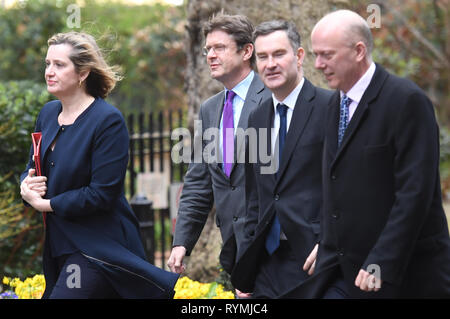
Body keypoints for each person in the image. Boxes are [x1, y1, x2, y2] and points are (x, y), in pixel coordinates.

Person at [285, 9, 450, 298]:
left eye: (327, 55)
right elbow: (335, 184)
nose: (319, 64)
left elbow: (414, 194)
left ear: (359, 51)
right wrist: (325, 242)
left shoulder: (407, 101)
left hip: (407, 275)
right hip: (351, 274)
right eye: (315, 55)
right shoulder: (335, 105)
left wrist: (381, 260)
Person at [20, 31, 179, 299]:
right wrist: (27, 186)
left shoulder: (107, 121)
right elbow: (33, 167)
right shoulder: (47, 114)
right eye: (47, 64)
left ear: (82, 74)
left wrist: (46, 205)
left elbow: (101, 194)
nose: (49, 71)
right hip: (60, 243)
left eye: (59, 65)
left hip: (98, 248)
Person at [167, 14, 271, 297]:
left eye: (219, 48)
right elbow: (199, 182)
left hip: (275, 251)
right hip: (235, 251)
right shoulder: (210, 109)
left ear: (247, 51)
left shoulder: (273, 97)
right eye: (207, 49)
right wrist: (182, 243)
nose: (210, 55)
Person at [230, 20, 332, 298]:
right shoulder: (257, 117)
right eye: (262, 57)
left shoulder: (330, 108)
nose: (270, 63)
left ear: (299, 56)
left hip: (313, 259)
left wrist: (331, 242)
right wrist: (246, 266)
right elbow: (255, 199)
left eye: (279, 54)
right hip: (266, 261)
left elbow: (348, 188)